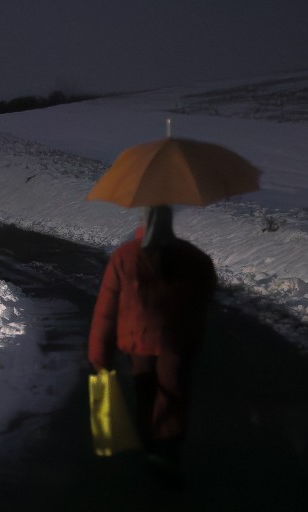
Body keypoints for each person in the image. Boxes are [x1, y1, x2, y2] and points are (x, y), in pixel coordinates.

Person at [88, 205, 217, 481]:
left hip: (139, 341)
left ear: (143, 222)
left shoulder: (125, 256)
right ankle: (167, 449)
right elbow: (207, 296)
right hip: (178, 341)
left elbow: (107, 309)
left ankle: (150, 443)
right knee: (174, 391)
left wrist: (100, 353)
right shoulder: (194, 258)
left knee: (145, 390)